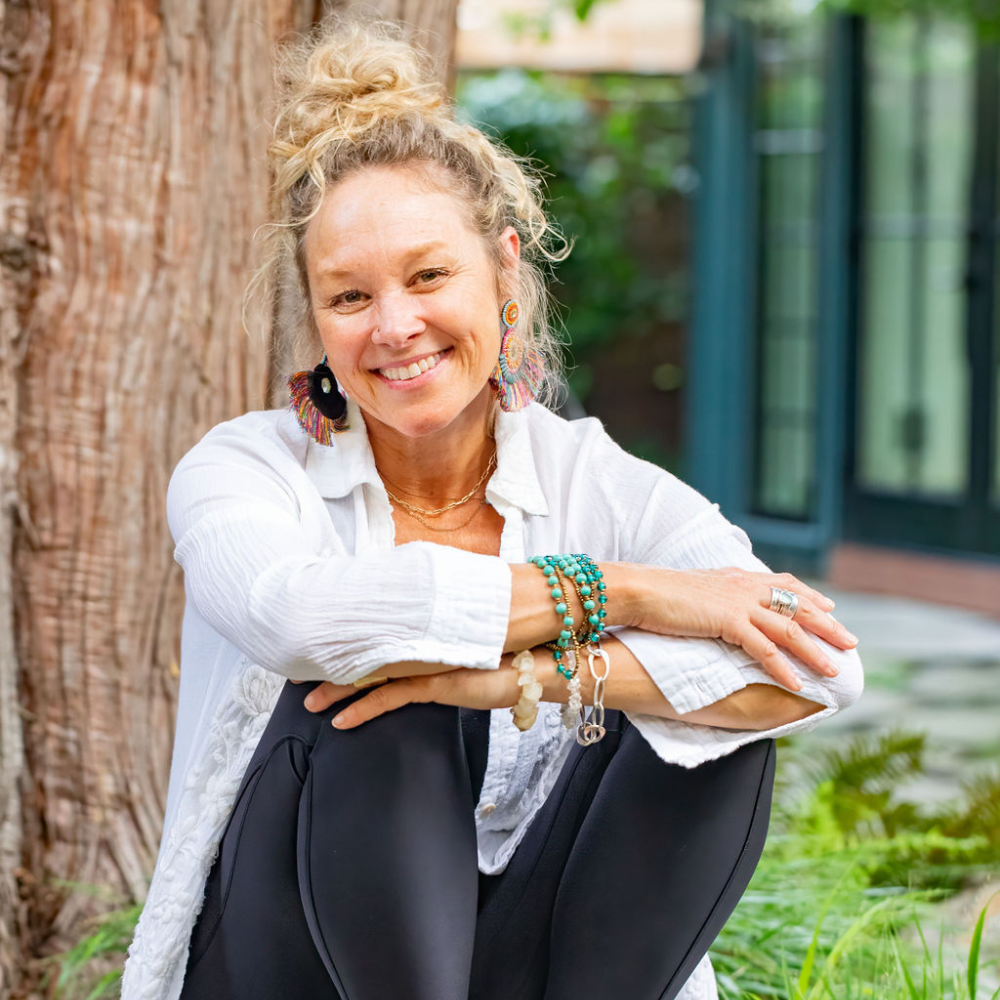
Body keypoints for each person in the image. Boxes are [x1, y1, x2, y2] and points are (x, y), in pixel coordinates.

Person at [120, 13, 863, 1000]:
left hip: (509, 958)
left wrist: (518, 681)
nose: (394, 326)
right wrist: (626, 593)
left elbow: (823, 669)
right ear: (313, 316)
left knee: (710, 738)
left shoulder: (588, 476)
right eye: (348, 296)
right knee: (381, 683)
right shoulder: (244, 468)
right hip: (273, 958)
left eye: (429, 275)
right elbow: (300, 617)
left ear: (502, 269)